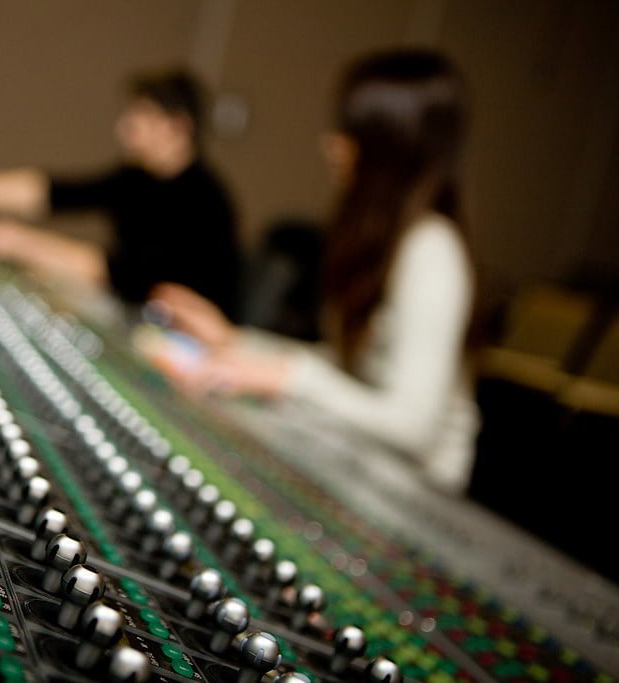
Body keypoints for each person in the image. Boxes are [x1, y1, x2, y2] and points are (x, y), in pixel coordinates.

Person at [148, 49, 482, 496]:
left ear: (389, 145)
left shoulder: (433, 250)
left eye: (350, 130)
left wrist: (290, 376)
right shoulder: (382, 238)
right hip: (362, 470)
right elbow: (351, 372)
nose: (331, 142)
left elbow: (412, 425)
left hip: (414, 496)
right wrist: (232, 339)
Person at [0, 68, 242, 319]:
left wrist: (23, 243)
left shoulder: (204, 202)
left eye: (141, 116)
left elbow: (128, 275)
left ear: (177, 127)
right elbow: (52, 191)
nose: (125, 127)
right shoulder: (138, 178)